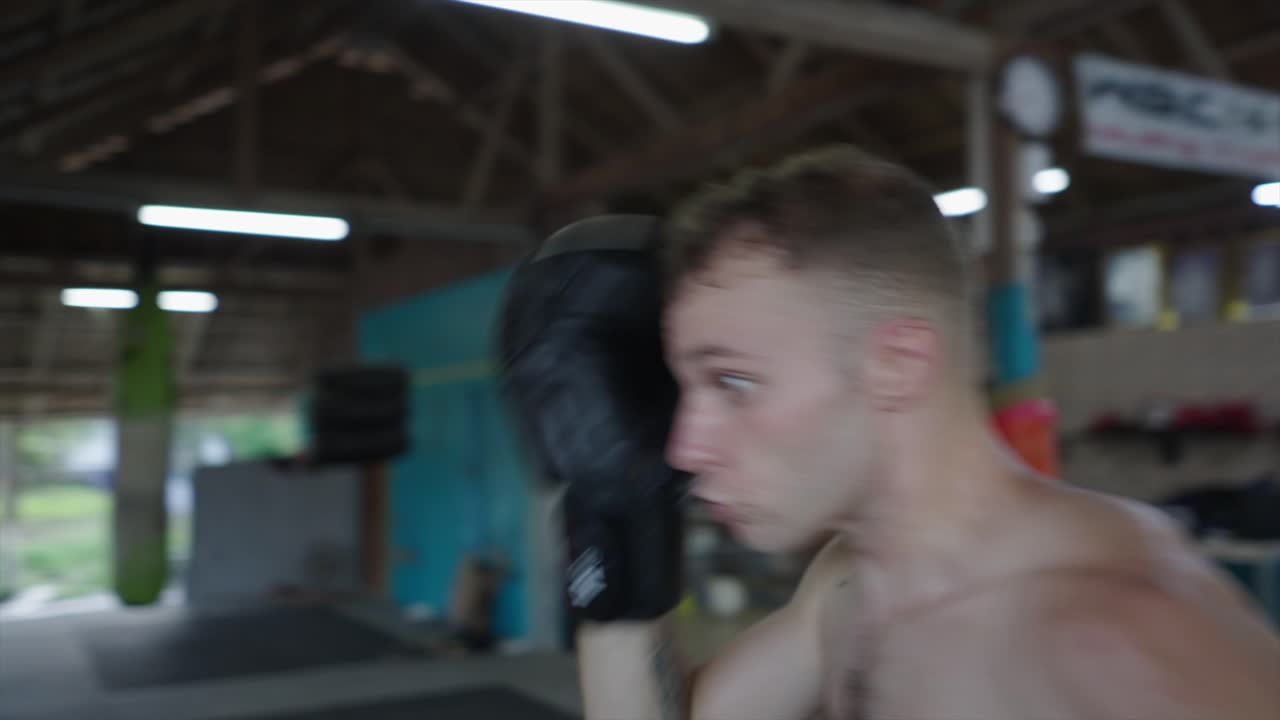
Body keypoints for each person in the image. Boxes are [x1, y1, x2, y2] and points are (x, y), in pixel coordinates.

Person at [499, 147, 1280, 720]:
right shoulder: (850, 586)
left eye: (734, 382)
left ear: (896, 365)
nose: (681, 447)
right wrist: (616, 513)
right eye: (685, 387)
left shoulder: (1123, 637)